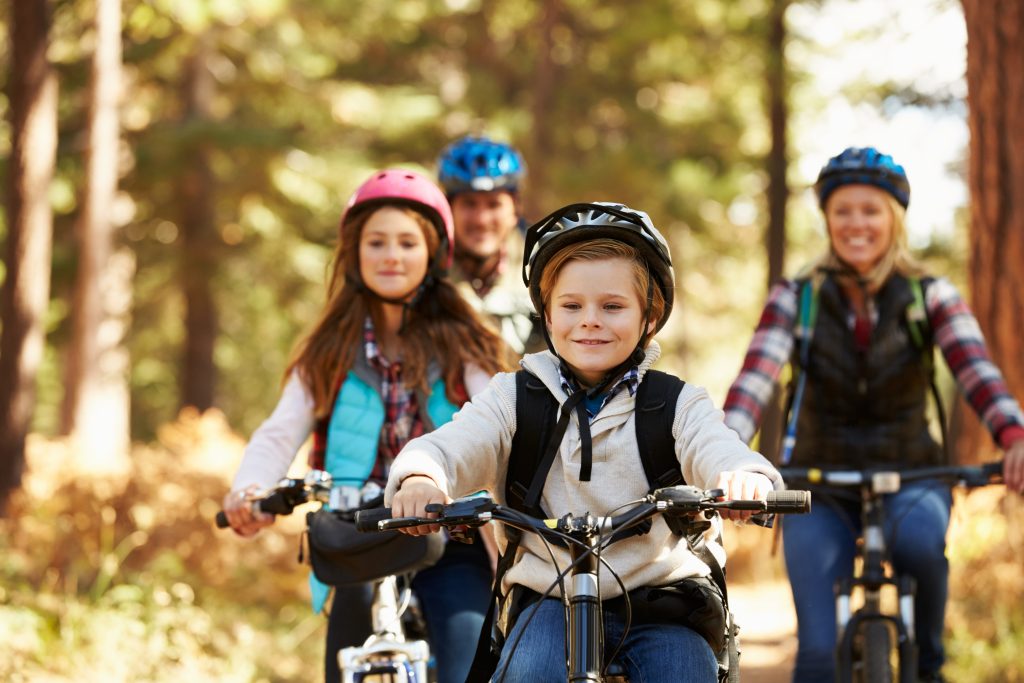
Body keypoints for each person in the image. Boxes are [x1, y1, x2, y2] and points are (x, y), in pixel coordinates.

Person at [385, 202, 784, 683]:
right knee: (525, 672)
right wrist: (421, 476)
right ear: (548, 317)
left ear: (649, 318)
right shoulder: (512, 399)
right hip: (549, 595)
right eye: (572, 306)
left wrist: (744, 476)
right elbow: (451, 445)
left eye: (613, 306)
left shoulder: (675, 403)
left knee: (685, 671)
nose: (590, 320)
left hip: (663, 598)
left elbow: (719, 448)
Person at [722, 146, 1024, 683]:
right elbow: (754, 384)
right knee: (817, 655)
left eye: (871, 210)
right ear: (828, 219)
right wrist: (724, 455)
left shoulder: (930, 296)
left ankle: (926, 664)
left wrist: (1014, 437)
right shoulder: (798, 296)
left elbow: (978, 375)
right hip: (815, 480)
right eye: (843, 210)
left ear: (894, 219)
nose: (856, 223)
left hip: (912, 472)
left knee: (921, 549)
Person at [222, 169, 515, 683]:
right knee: (348, 659)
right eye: (376, 242)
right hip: (359, 532)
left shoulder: (464, 340)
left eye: (407, 243)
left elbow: (502, 413)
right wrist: (250, 488)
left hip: (452, 535)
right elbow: (279, 431)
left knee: (470, 655)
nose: (391, 256)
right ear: (354, 253)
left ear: (432, 255)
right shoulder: (329, 349)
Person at [437, 135, 544, 355]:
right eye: (469, 204)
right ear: (449, 208)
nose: (481, 220)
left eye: (494, 204)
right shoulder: (424, 272)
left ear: (515, 209)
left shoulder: (546, 271)